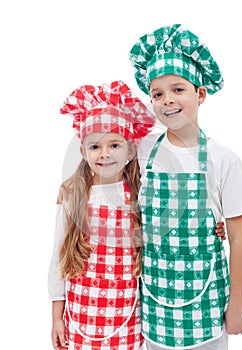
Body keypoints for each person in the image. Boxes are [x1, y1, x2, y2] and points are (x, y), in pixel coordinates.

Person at [129, 24, 242, 350]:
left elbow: (240, 239)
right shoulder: (144, 149)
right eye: (157, 94)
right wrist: (71, 187)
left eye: (178, 89)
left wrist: (238, 307)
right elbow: (101, 152)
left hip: (208, 303)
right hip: (156, 303)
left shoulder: (223, 159)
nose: (167, 100)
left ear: (200, 94)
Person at [48, 80, 156, 350]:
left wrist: (215, 227)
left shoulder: (140, 194)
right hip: (80, 312)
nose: (104, 153)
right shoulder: (73, 197)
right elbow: (58, 259)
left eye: (115, 145)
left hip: (128, 312)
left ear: (131, 150)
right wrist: (56, 318)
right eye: (95, 146)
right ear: (83, 152)